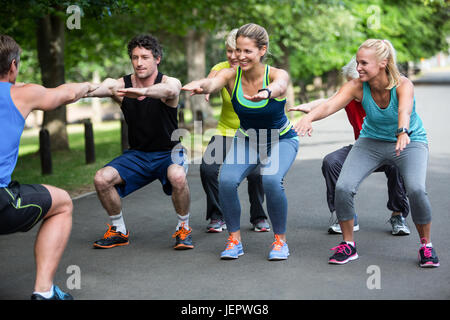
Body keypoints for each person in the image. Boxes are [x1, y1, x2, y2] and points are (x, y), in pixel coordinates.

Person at [295, 39, 439, 268]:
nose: (358, 67)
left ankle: (426, 247)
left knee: (417, 189)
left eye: (363, 63)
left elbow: (404, 110)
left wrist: (402, 131)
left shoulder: (403, 84)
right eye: (357, 61)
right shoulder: (356, 86)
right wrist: (308, 117)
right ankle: (348, 245)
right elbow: (330, 104)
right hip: (370, 141)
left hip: (409, 141)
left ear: (383, 63)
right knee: (343, 187)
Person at [183, 23, 299, 261]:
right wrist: (201, 85)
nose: (240, 56)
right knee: (226, 180)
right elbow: (213, 83)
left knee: (271, 179)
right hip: (248, 139)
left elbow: (280, 86)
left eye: (247, 51)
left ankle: (280, 241)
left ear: (262, 50)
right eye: (237, 50)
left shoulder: (276, 74)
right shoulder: (230, 75)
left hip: (282, 139)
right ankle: (234, 240)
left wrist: (267, 92)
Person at [0, 35, 97, 299]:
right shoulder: (23, 94)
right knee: (62, 203)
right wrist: (88, 85)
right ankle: (43, 292)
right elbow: (66, 94)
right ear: (13, 66)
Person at [86, 34, 193, 250]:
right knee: (101, 179)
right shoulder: (122, 85)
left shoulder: (168, 82)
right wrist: (81, 91)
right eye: (135, 57)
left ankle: (183, 228)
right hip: (138, 154)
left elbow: (171, 90)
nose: (139, 62)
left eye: (145, 57)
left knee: (178, 176)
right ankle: (118, 230)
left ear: (157, 59)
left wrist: (143, 92)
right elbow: (102, 88)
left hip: (168, 153)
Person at [289, 57, 410, 236]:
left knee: (397, 162)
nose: (351, 86)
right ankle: (345, 215)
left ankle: (398, 215)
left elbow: (404, 111)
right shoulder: (350, 96)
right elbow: (328, 101)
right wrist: (309, 108)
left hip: (389, 146)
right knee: (332, 162)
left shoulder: (386, 95)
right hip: (364, 150)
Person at [201, 29, 269, 233]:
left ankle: (258, 216)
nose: (232, 56)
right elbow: (213, 77)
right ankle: (216, 215)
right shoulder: (222, 68)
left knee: (256, 174)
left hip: (253, 134)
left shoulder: (257, 71)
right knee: (207, 168)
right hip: (226, 131)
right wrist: (207, 87)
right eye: (228, 51)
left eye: (236, 51)